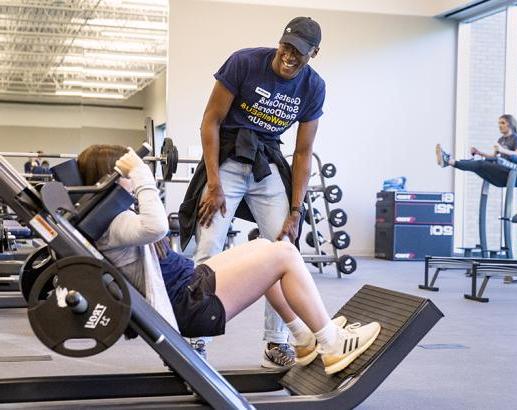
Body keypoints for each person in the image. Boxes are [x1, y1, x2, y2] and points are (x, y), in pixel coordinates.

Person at [77, 144, 381, 376]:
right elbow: (155, 225)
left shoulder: (110, 218)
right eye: (126, 176)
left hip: (189, 284)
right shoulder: (114, 223)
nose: (131, 180)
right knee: (284, 253)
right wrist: (141, 175)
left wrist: (138, 177)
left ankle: (303, 337)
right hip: (189, 303)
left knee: (266, 247)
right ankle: (331, 344)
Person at [179, 16, 326, 367]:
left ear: (314, 53)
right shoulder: (244, 62)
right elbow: (210, 121)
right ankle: (195, 340)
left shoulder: (313, 87)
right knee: (210, 245)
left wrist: (296, 211)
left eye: (299, 52)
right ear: (280, 41)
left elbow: (303, 153)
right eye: (286, 47)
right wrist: (213, 184)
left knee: (282, 249)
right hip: (228, 156)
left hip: (266, 162)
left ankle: (276, 344)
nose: (289, 56)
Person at [435, 114, 517, 187]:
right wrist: (479, 152)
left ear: (510, 124)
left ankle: (449, 161)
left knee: (480, 164)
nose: (499, 126)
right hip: (499, 170)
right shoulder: (501, 139)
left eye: (502, 123)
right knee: (476, 166)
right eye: (499, 123)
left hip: (508, 173)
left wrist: (502, 150)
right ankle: (449, 161)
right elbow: (493, 157)